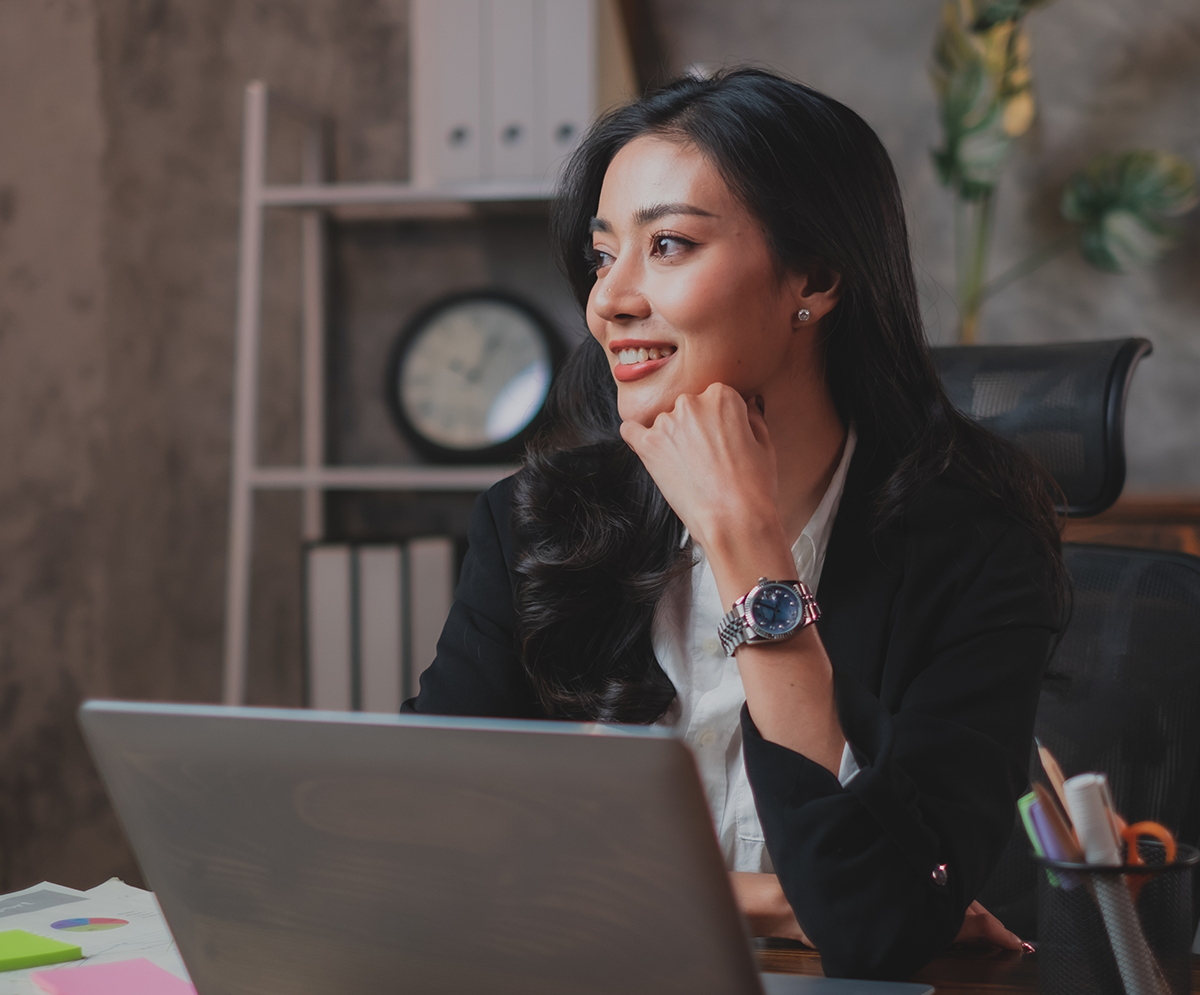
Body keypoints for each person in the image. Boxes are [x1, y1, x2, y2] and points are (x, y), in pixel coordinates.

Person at [404, 68, 1064, 980]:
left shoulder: (976, 547)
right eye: (604, 256)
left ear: (817, 276)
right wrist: (767, 896)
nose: (611, 300)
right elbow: (421, 840)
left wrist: (750, 553)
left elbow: (877, 928)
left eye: (668, 245)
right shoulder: (537, 522)